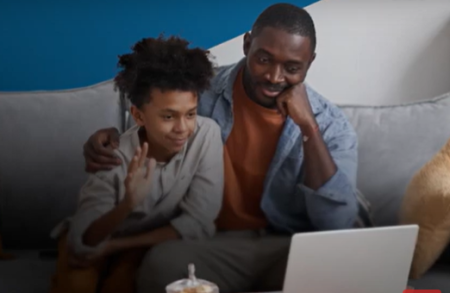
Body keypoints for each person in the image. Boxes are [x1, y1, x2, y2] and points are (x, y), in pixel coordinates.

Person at [83, 3, 372, 293]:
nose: (274, 76)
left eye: (292, 68)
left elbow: (336, 224)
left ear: (310, 62)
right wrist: (113, 136)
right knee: (162, 266)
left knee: (348, 270)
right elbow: (151, 126)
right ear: (247, 44)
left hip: (286, 245)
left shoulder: (332, 125)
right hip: (210, 245)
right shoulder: (200, 91)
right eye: (264, 59)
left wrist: (309, 128)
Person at [49, 35, 224, 293]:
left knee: (124, 283)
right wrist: (127, 204)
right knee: (77, 283)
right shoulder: (114, 156)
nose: (183, 128)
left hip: (143, 242)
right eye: (168, 116)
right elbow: (84, 243)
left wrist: (118, 247)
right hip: (101, 233)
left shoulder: (206, 135)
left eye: (190, 114)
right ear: (138, 115)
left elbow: (199, 223)